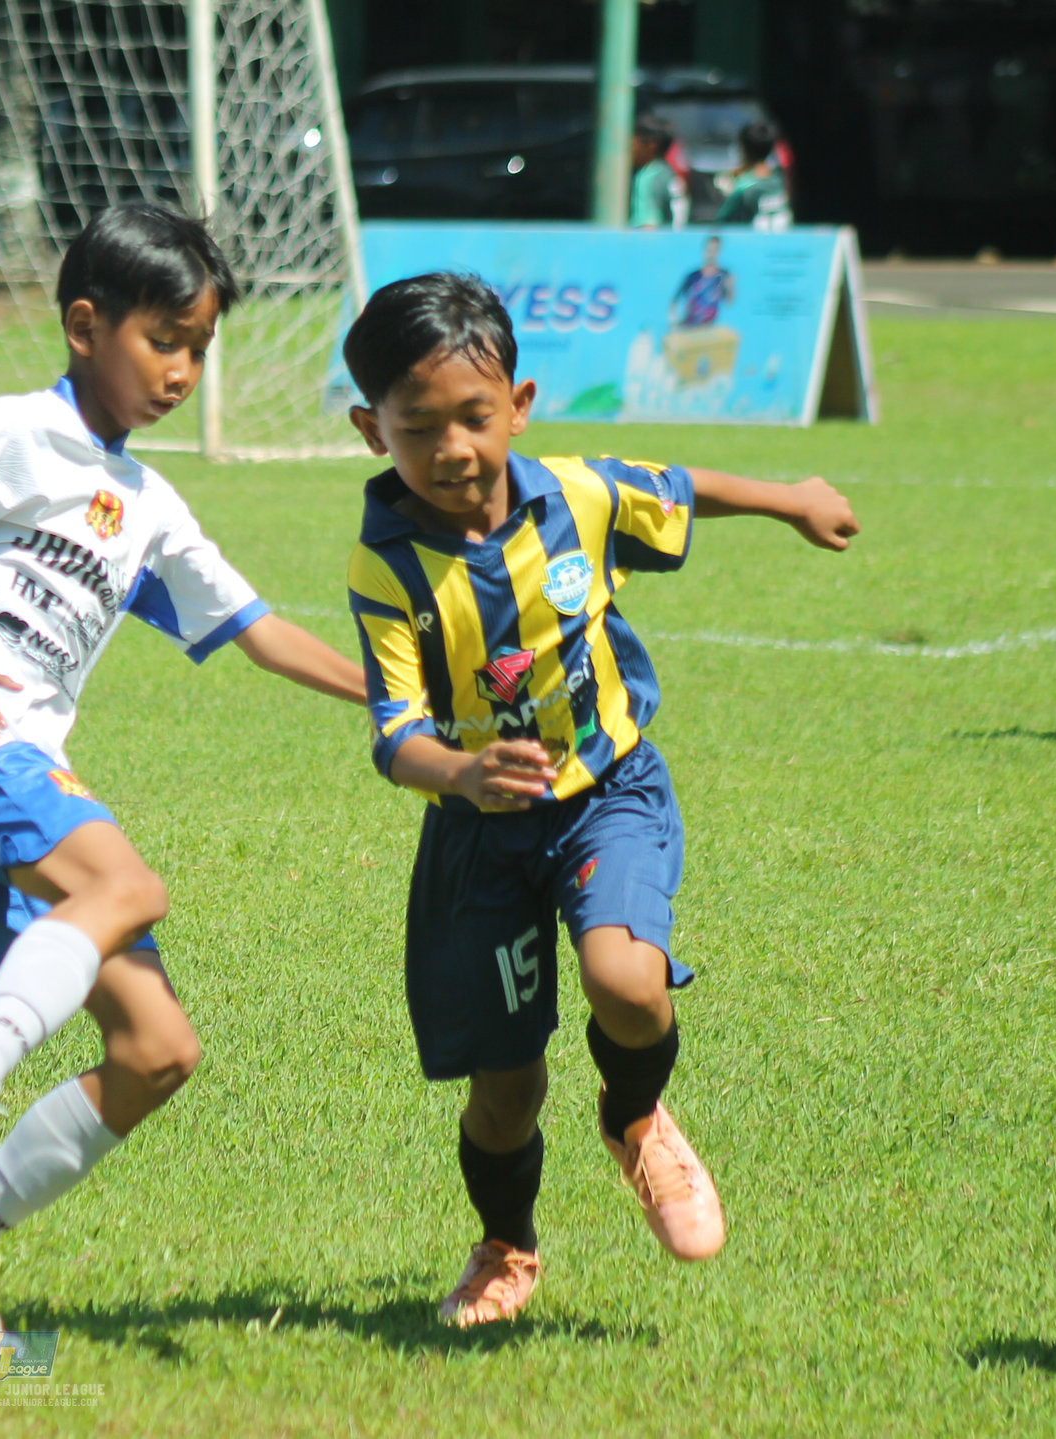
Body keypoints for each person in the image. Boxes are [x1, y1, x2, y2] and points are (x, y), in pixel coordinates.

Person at [0, 204, 367, 1351]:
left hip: (22, 758)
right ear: (84, 326)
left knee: (154, 1049)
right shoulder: (13, 432)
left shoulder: (150, 505)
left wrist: (395, 698)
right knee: (128, 884)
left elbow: (259, 630)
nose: (181, 371)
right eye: (162, 340)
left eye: (198, 348)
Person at [339, 272, 857, 1328]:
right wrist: (459, 771)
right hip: (478, 837)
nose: (452, 448)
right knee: (505, 1092)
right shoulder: (385, 567)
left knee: (625, 979)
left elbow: (680, 485)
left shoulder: (576, 496)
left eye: (474, 416)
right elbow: (394, 734)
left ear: (518, 405)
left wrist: (791, 497)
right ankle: (506, 1246)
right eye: (417, 426)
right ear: (370, 429)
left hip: (606, 790)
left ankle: (635, 1117)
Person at [717, 121, 791, 232]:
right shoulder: (780, 182)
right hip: (781, 240)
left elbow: (721, 223)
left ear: (744, 149)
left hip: (754, 242)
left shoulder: (744, 188)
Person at [628, 114, 687, 229]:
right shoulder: (667, 172)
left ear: (652, 144)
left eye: (634, 141)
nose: (630, 147)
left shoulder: (648, 177)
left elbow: (647, 227)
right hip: (677, 238)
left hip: (660, 239)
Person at [671, 236, 734, 329]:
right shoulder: (693, 276)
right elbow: (675, 301)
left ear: (719, 252)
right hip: (690, 323)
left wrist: (731, 287)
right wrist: (673, 320)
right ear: (704, 251)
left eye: (715, 250)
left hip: (709, 326)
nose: (711, 254)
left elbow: (729, 302)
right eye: (709, 250)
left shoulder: (723, 275)